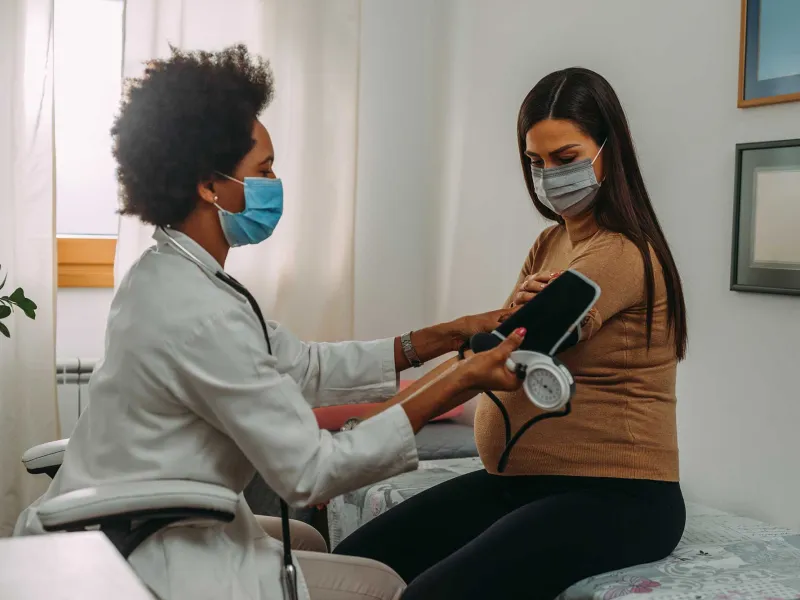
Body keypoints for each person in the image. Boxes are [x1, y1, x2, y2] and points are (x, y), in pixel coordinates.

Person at [14, 45, 527, 600]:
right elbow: (309, 471)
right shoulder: (198, 312)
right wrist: (459, 379)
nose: (275, 183)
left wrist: (451, 335)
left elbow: (303, 364)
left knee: (306, 535)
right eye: (263, 170)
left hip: (132, 518)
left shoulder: (170, 274)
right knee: (382, 585)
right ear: (209, 186)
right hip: (146, 550)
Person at [334, 67, 689, 599]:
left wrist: (365, 437)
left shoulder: (620, 254)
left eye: (565, 159)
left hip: (619, 498)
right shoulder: (549, 244)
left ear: (610, 151)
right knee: (349, 567)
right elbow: (492, 345)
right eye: (536, 161)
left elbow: (501, 354)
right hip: (524, 485)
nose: (548, 176)